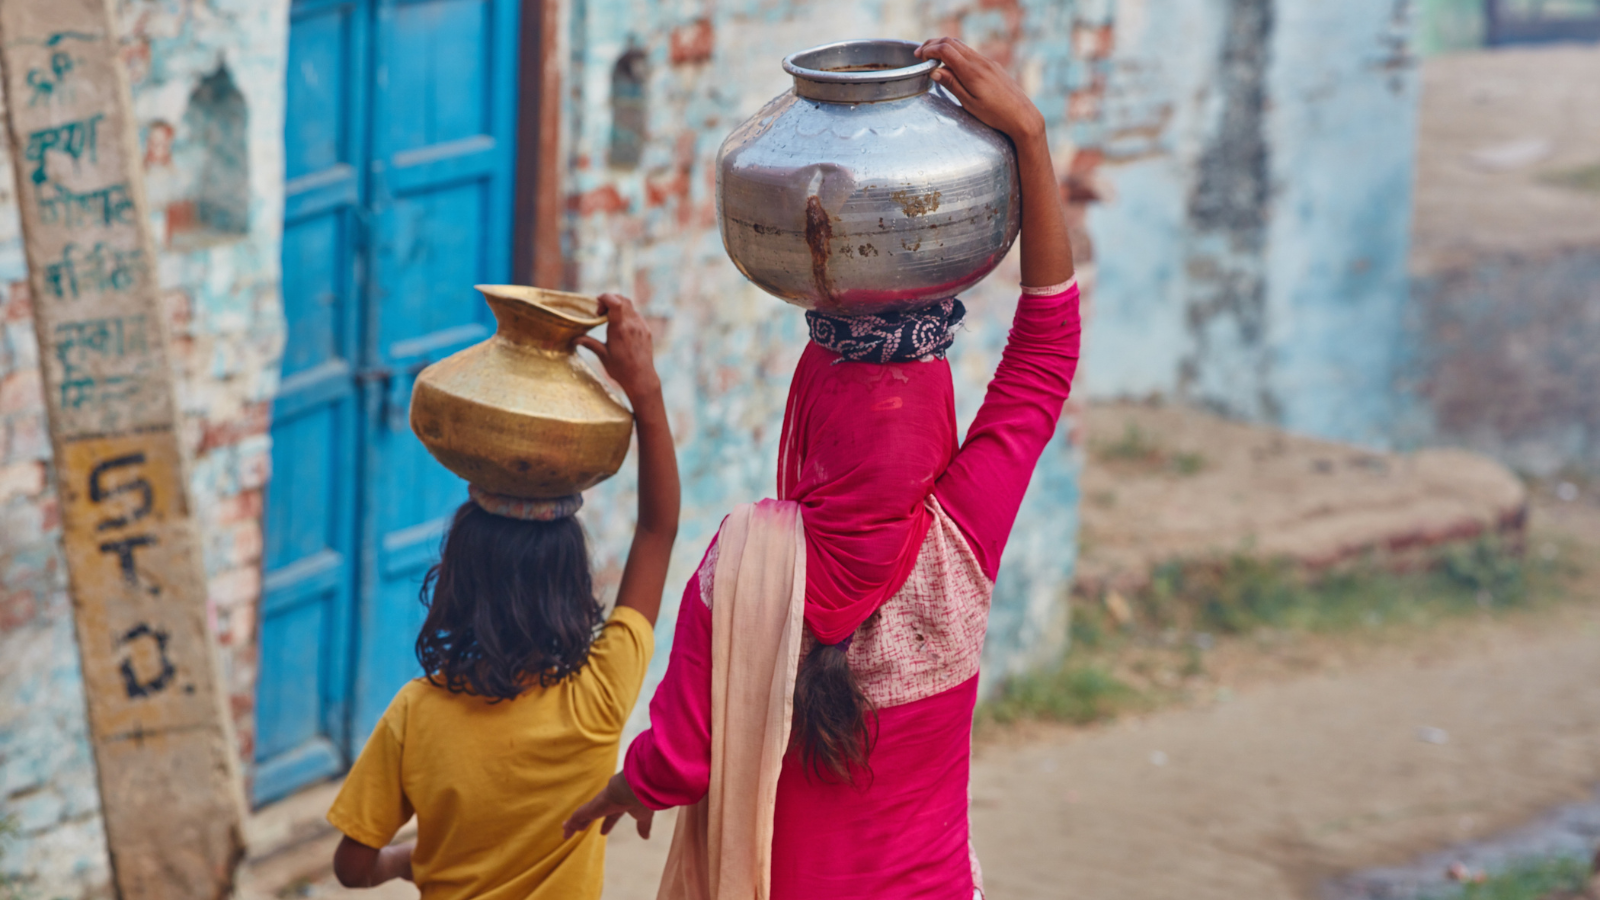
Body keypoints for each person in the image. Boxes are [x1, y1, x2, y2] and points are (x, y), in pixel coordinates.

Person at [564, 38, 1083, 900]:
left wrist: (635, 784)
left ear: (806, 424)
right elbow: (1044, 357)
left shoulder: (743, 567)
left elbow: (688, 756)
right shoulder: (959, 546)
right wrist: (1027, 135)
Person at [324, 294, 680, 899]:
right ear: (571, 579)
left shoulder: (417, 713)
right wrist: (644, 392)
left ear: (457, 578)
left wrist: (407, 863)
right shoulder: (599, 693)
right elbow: (657, 530)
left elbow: (352, 866)